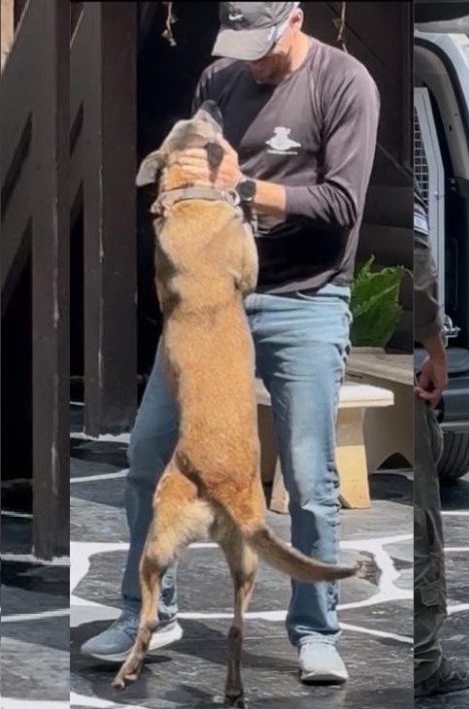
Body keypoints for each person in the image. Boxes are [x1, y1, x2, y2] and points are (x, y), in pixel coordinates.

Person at [81, 1, 381, 684]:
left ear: (297, 17)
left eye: (262, 42)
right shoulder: (218, 80)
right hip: (210, 301)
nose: (249, 57)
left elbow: (342, 204)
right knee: (147, 451)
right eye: (239, 41)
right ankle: (149, 611)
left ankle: (316, 629)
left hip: (305, 297)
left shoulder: (345, 84)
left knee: (307, 475)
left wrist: (243, 186)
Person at [412, 183, 469, 697]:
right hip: (408, 372)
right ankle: (423, 662)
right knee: (421, 523)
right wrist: (437, 351)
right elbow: (419, 276)